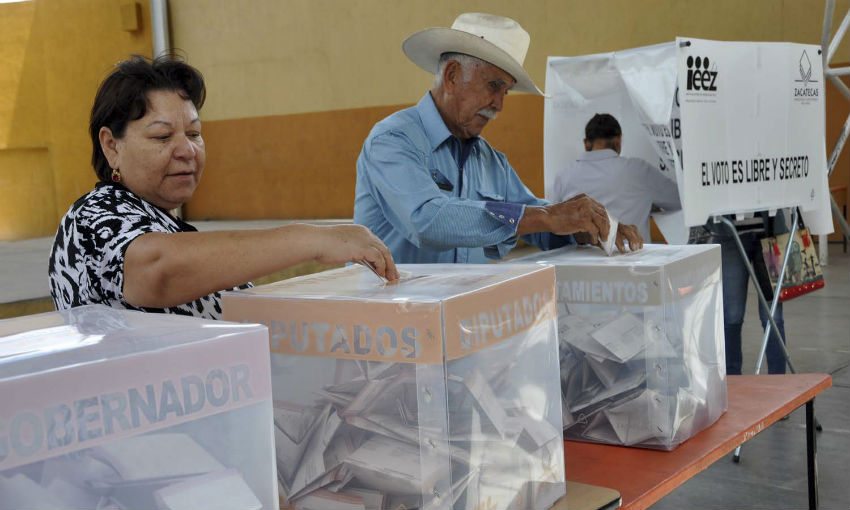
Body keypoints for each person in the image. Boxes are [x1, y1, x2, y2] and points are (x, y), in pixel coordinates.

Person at [49, 55, 398, 320]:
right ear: (112, 145)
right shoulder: (94, 216)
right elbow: (156, 271)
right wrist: (312, 239)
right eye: (162, 136)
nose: (186, 150)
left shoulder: (168, 227)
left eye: (195, 134)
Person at [354, 13, 642, 264]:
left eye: (505, 91)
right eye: (493, 86)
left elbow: (539, 221)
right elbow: (427, 220)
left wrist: (584, 227)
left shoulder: (490, 161)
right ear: (453, 75)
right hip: (390, 323)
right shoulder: (393, 140)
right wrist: (547, 217)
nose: (499, 105)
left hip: (461, 318)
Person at [552, 113, 681, 242]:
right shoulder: (638, 170)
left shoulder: (563, 176)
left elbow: (555, 224)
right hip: (632, 258)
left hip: (578, 259)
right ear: (618, 141)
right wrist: (647, 204)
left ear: (586, 143)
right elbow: (678, 199)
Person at [701, 213, 789, 375]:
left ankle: (778, 380)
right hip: (728, 233)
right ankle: (732, 380)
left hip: (770, 233)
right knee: (731, 316)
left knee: (773, 316)